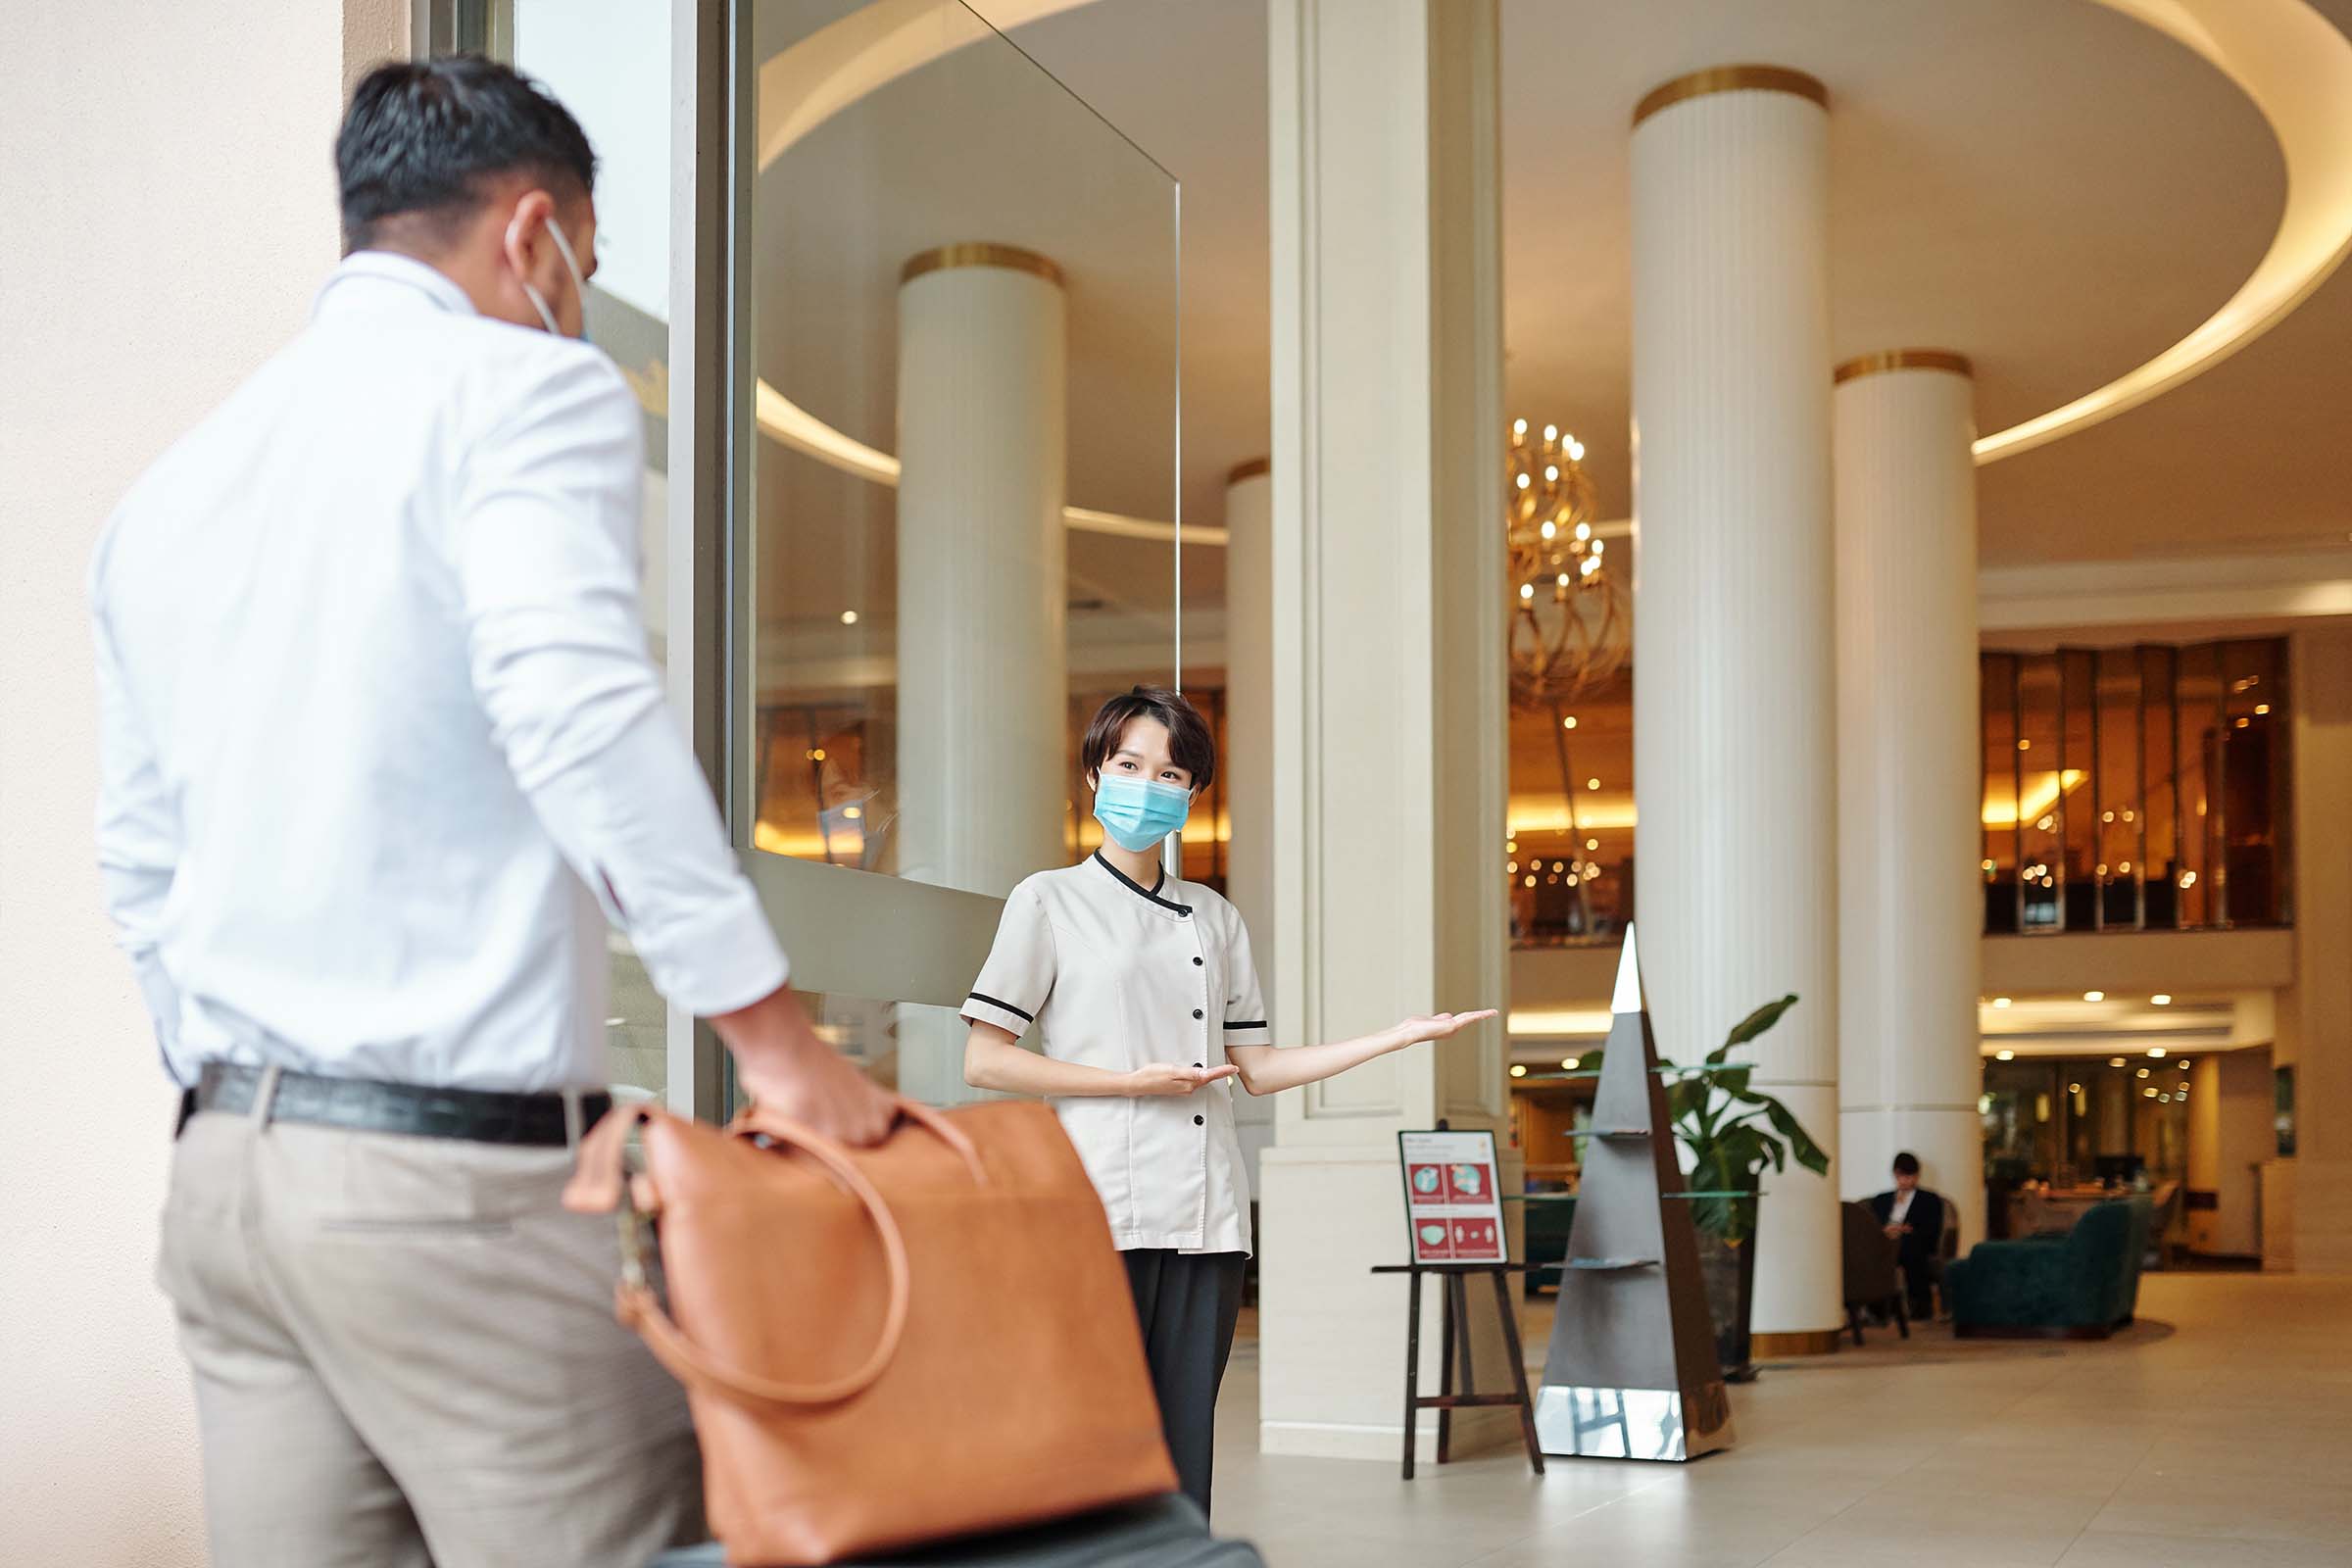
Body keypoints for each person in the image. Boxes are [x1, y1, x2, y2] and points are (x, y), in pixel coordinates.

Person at [89, 57, 895, 1568]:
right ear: (531, 235)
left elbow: (137, 857)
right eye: (582, 263)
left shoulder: (174, 491)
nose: (577, 297)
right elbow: (579, 709)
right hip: (452, 1194)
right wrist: (778, 1051)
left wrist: (256, 1104)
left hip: (228, 1188)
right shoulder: (525, 389)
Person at [959, 687, 1496, 1518]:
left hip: (1207, 1216)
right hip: (1097, 1209)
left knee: (1183, 1450)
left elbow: (1261, 1067)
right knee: (1089, 1443)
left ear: (1191, 796)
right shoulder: (1047, 901)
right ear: (1096, 773)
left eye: (1170, 772)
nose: (1147, 784)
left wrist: (1395, 1038)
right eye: (1130, 764)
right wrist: (1127, 1084)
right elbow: (986, 1060)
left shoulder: (1212, 916)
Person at [1868, 1152, 1948, 1321]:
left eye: (1910, 1176)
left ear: (1917, 1176)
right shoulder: (1881, 1200)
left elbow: (1932, 1230)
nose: (1905, 1181)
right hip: (1884, 1244)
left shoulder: (1929, 1200)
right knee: (1871, 1255)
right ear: (1895, 1175)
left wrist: (1905, 1231)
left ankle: (1919, 1307)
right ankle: (1877, 1309)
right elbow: (1872, 1226)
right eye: (1901, 1176)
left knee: (1912, 1252)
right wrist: (1887, 1231)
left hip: (1913, 1244)